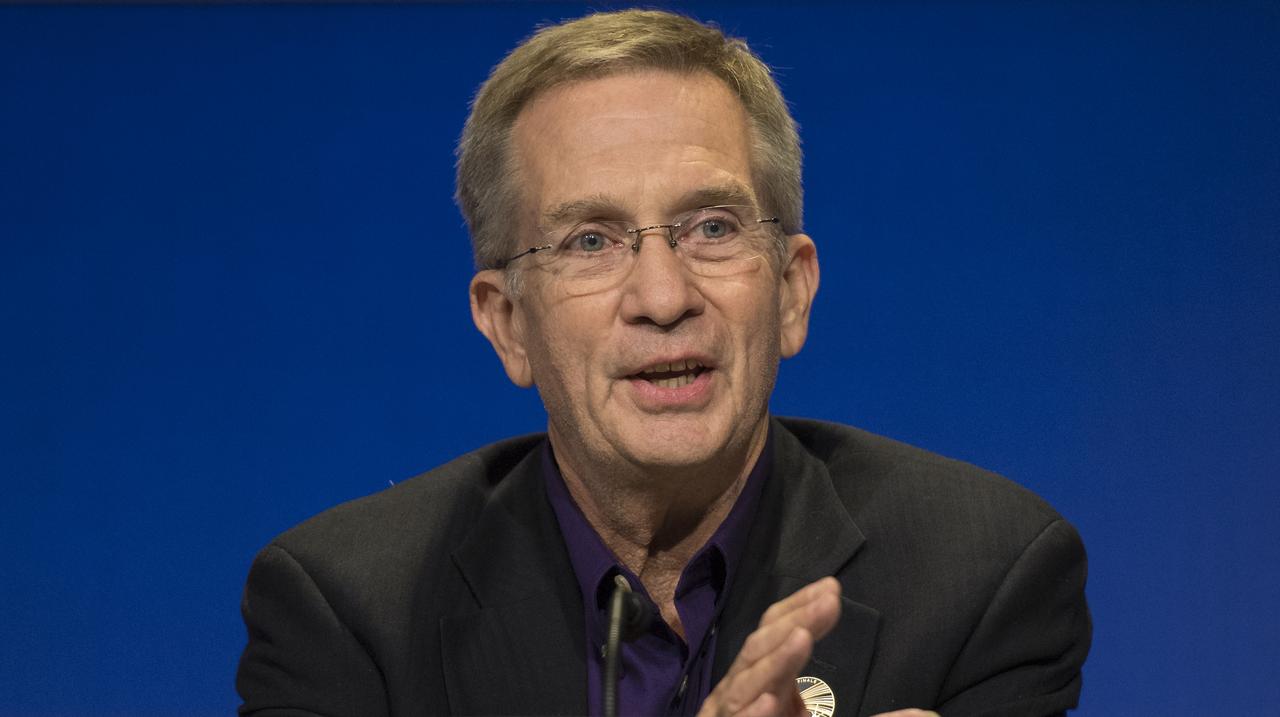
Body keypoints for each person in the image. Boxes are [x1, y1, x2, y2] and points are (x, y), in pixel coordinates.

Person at [236, 9, 1090, 717]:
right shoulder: (348, 613)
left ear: (791, 292)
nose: (662, 293)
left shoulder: (981, 577)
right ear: (507, 325)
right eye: (591, 241)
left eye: (712, 227)